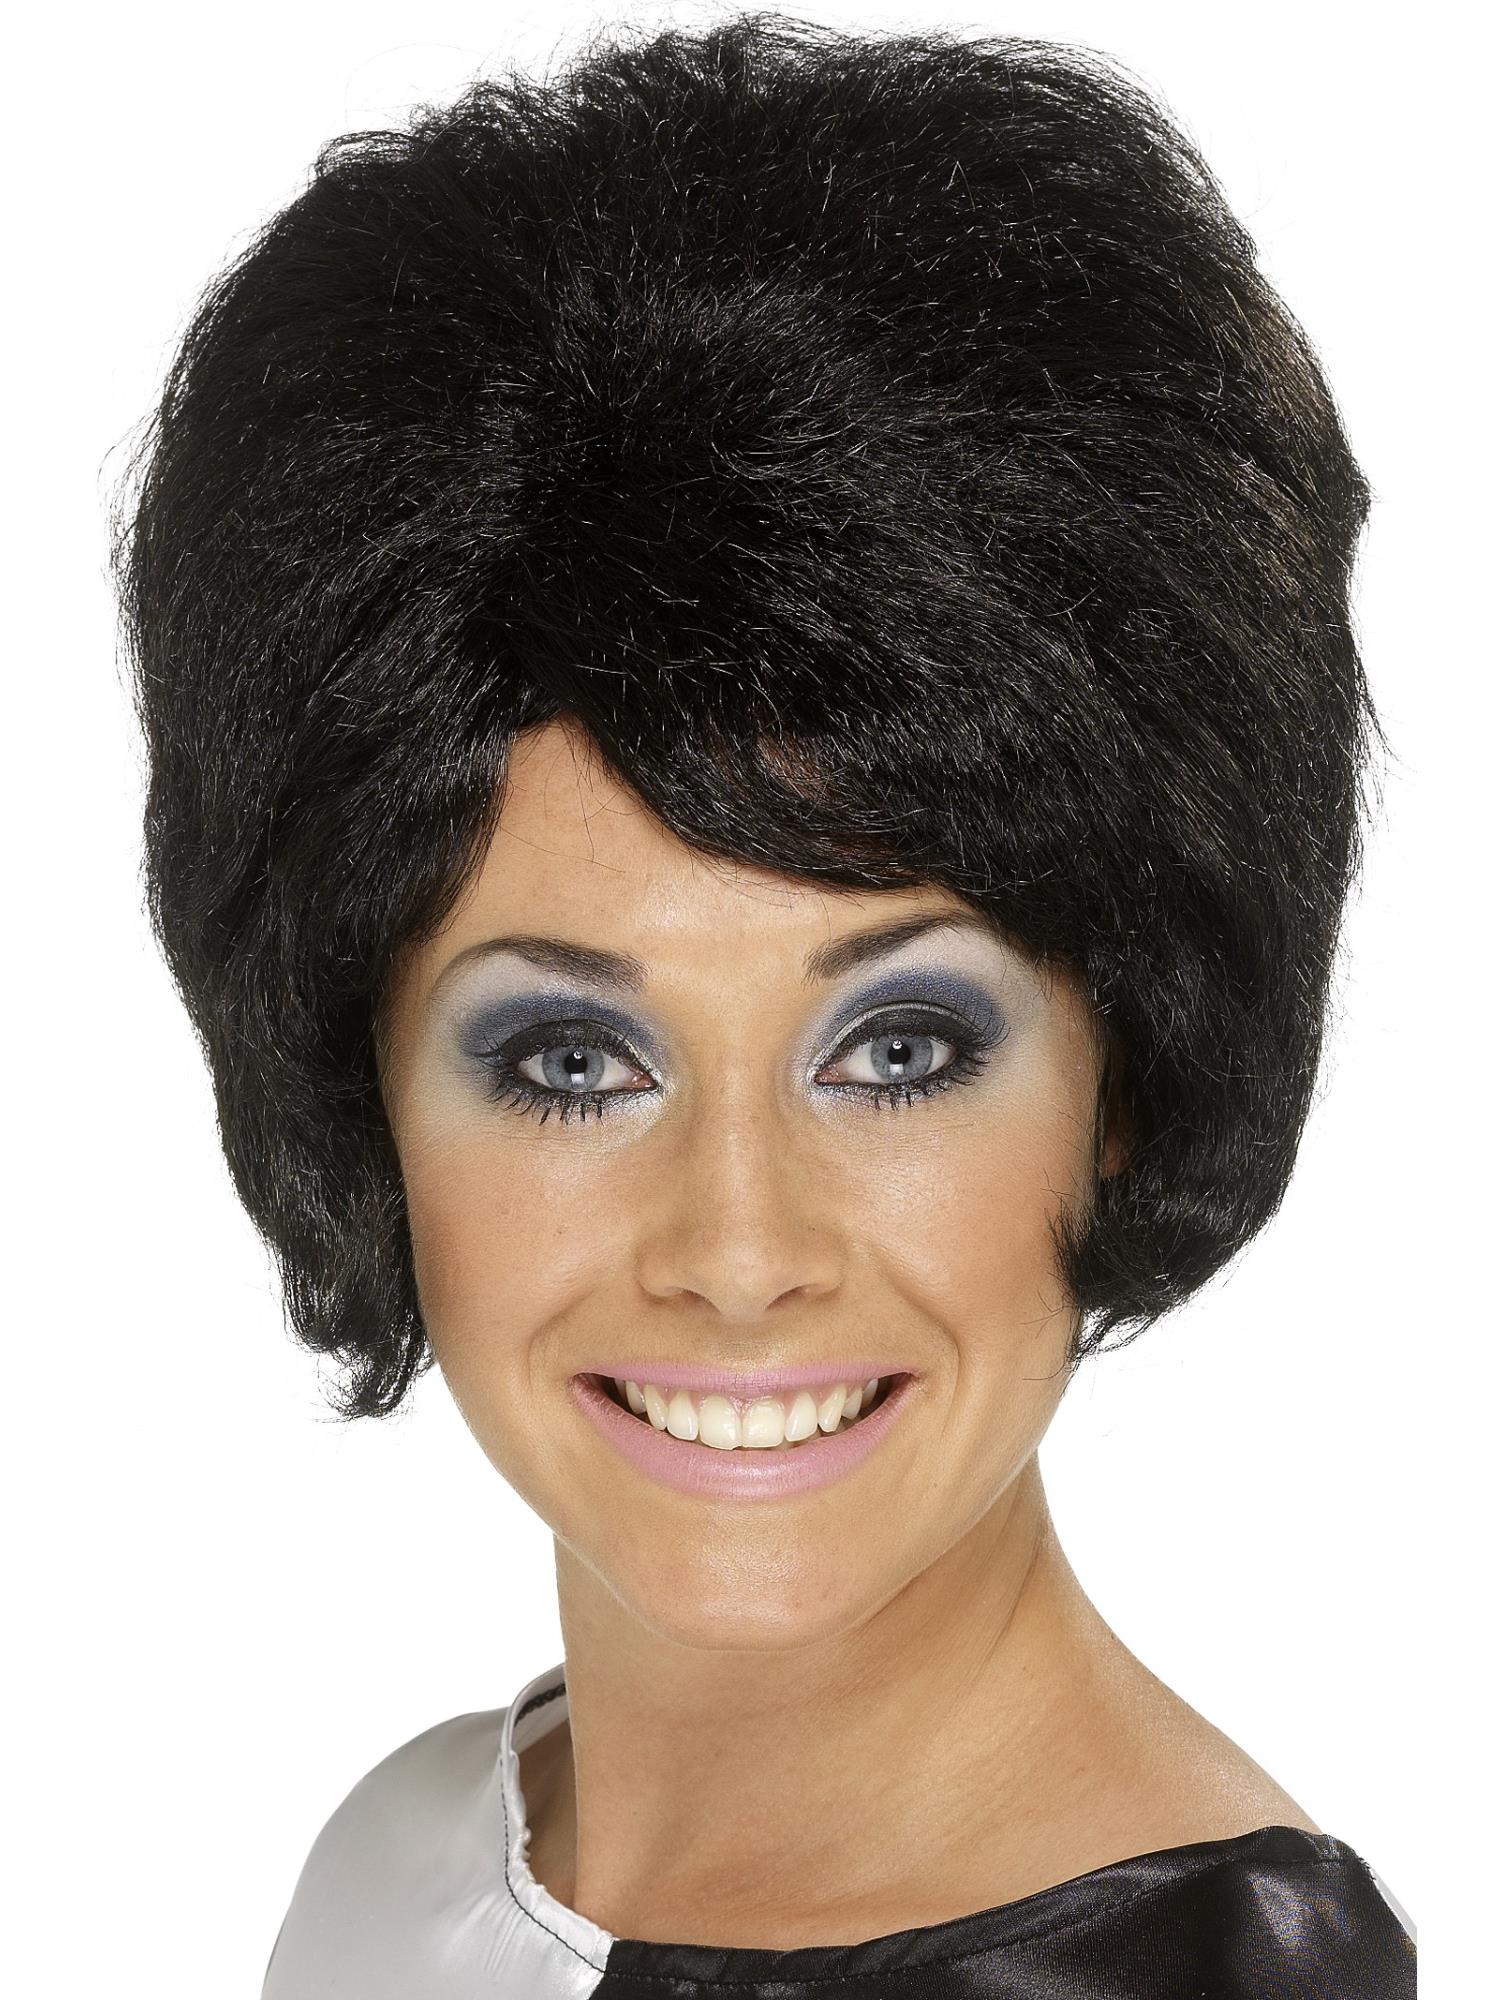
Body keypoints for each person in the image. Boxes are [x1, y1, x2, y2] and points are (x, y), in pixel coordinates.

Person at [112, 12, 1417, 1994]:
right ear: (358, 1091)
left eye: (901, 1049)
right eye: (571, 1059)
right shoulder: (407, 1849)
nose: (738, 1251)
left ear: (1130, 1074)